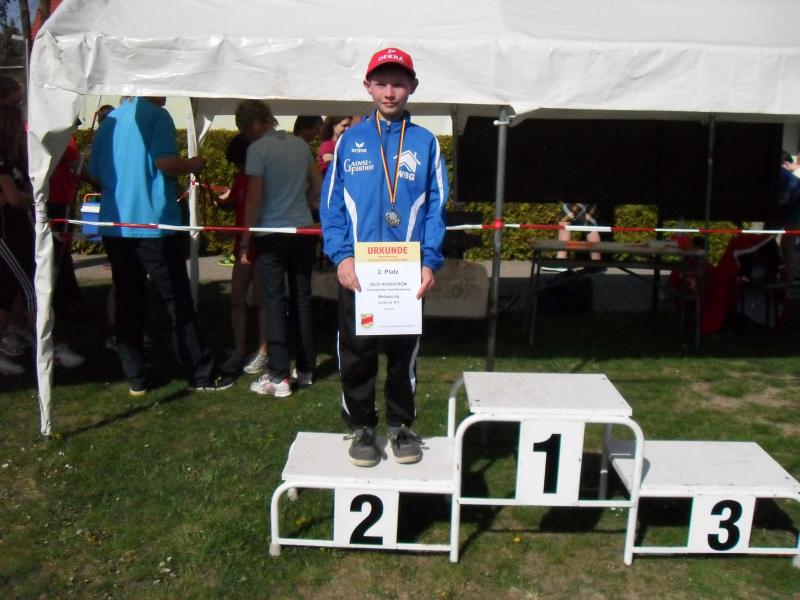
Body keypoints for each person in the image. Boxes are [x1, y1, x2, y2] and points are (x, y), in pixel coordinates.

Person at [320, 47, 448, 467]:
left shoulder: (426, 143)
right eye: (381, 83)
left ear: (412, 86)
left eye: (398, 83)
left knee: (402, 354)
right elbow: (332, 205)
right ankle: (361, 427)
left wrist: (429, 261)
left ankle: (400, 425)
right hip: (359, 270)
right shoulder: (350, 140)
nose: (390, 92)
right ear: (368, 86)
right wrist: (341, 257)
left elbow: (436, 208)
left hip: (406, 271)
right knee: (356, 352)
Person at [89, 96, 232, 395]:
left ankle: (136, 377)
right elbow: (166, 163)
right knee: (176, 300)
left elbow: (95, 174)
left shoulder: (111, 120)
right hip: (152, 223)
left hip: (117, 223)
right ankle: (199, 373)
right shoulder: (157, 115)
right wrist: (193, 164)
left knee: (128, 300)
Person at [236, 100, 320, 397]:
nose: (246, 137)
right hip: (303, 229)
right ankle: (306, 369)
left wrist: (245, 239)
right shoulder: (300, 145)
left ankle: (279, 376)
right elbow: (318, 184)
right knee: (302, 298)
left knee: (274, 301)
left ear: (252, 124)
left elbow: (254, 199)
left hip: (271, 233)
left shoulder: (258, 150)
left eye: (245, 131)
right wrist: (303, 204)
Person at [0, 105, 85, 375]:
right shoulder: (2, 156)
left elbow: (20, 194)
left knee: (7, 292)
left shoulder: (13, 155)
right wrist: (31, 199)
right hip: (5, 232)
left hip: (18, 227)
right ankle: (49, 347)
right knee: (32, 288)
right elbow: (14, 198)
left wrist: (26, 199)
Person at [217, 133, 269, 375]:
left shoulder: (260, 180)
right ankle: (240, 350)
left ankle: (263, 352)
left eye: (239, 163)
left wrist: (235, 235)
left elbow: (256, 215)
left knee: (261, 301)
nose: (238, 168)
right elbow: (238, 210)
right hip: (242, 248)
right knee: (237, 299)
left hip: (259, 247)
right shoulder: (240, 178)